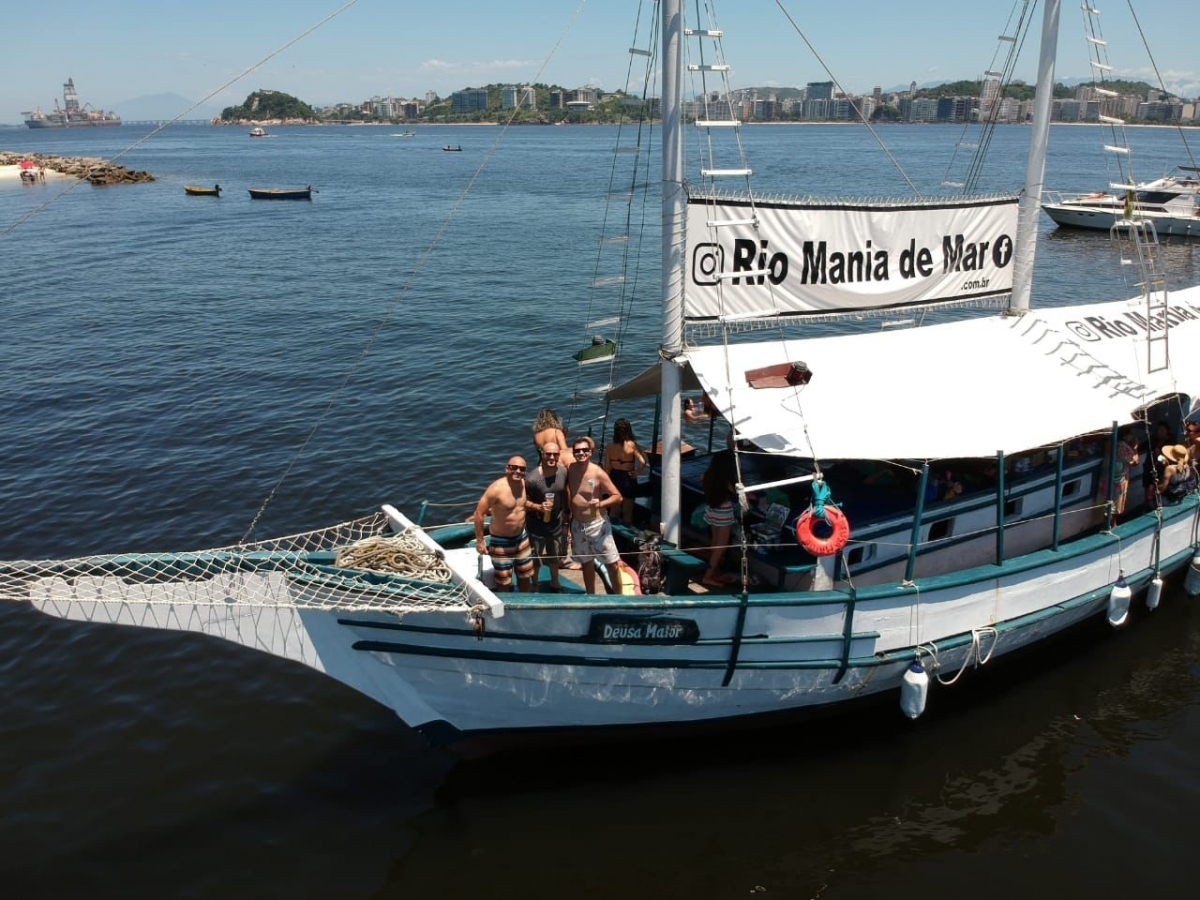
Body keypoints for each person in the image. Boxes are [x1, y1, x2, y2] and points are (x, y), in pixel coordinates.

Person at [566, 436, 624, 594]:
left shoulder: (598, 472)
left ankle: (620, 599)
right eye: (577, 451)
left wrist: (600, 504)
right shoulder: (570, 468)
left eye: (585, 450)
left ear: (590, 452)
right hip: (578, 525)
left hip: (598, 525)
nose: (581, 453)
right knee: (586, 564)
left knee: (612, 564)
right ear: (573, 453)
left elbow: (617, 496)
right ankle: (591, 596)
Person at [472, 456, 536, 593]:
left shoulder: (524, 485)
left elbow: (521, 504)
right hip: (501, 541)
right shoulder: (496, 489)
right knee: (503, 580)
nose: (518, 471)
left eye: (522, 469)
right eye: (514, 467)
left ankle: (526, 602)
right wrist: (480, 541)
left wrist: (538, 507)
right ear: (507, 468)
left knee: (525, 576)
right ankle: (505, 608)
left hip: (521, 538)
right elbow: (478, 514)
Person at [524, 441, 568, 592]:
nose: (552, 457)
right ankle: (534, 583)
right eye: (548, 454)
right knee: (535, 558)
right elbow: (523, 502)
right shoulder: (532, 479)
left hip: (555, 524)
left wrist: (566, 519)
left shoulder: (563, 472)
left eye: (555, 454)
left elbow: (565, 494)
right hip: (536, 525)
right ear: (542, 454)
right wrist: (538, 507)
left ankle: (555, 582)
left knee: (554, 557)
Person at [700, 450, 739, 587]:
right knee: (721, 547)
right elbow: (737, 492)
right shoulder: (727, 481)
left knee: (715, 543)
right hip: (723, 513)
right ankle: (708, 576)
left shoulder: (707, 476)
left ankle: (713, 569)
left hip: (712, 510)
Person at [603, 418, 647, 525]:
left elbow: (607, 467)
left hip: (614, 477)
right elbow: (643, 461)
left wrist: (606, 483)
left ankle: (613, 534)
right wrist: (637, 472)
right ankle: (627, 530)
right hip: (628, 478)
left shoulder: (610, 446)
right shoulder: (632, 445)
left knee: (614, 509)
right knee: (627, 510)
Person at [1111, 428, 1139, 516]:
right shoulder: (1123, 446)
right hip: (1118, 478)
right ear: (1125, 436)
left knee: (1108, 501)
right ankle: (1112, 524)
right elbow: (1134, 462)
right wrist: (1135, 447)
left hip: (1108, 477)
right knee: (1116, 503)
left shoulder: (1110, 442)